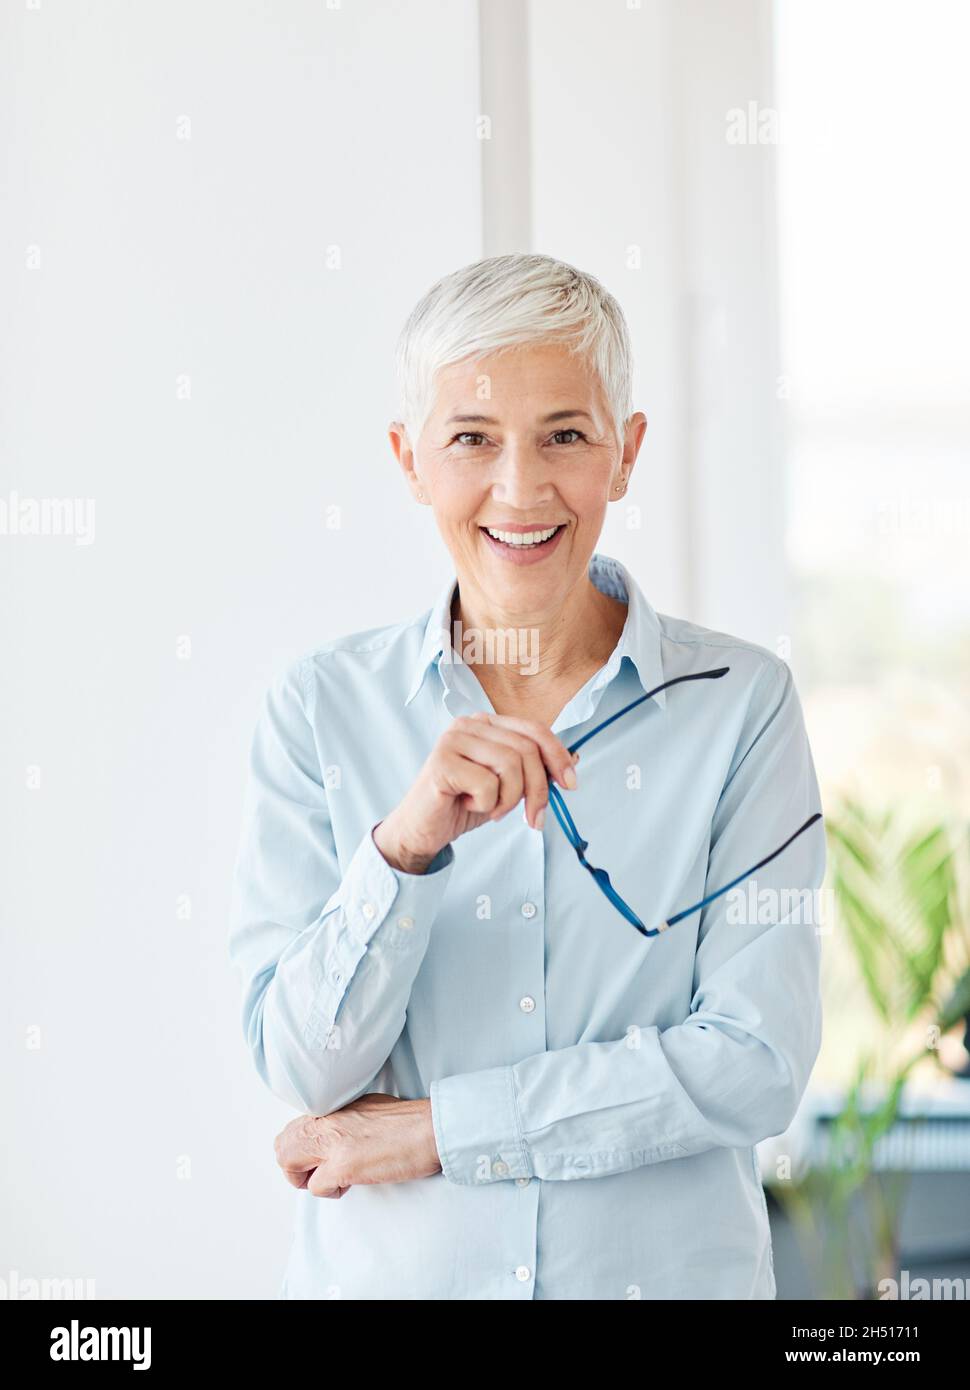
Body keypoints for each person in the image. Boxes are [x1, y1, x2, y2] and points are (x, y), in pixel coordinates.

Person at [228, 252, 826, 1300]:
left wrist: (442, 1132)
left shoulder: (740, 703)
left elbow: (753, 1063)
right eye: (471, 438)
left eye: (565, 435)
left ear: (626, 452)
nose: (521, 487)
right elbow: (304, 1069)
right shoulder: (320, 708)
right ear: (409, 458)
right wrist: (402, 850)